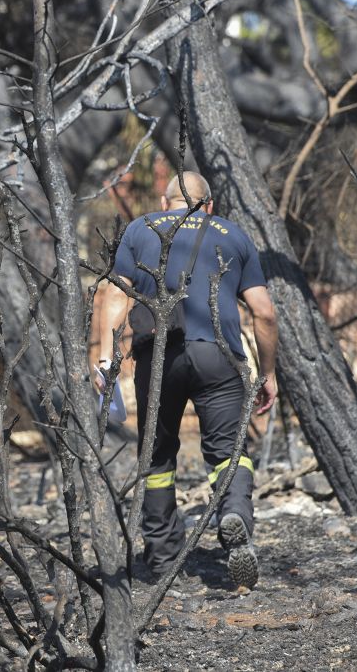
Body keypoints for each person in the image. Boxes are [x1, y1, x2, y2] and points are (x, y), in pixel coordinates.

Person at [96, 171, 278, 588]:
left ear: (164, 203)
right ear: (208, 206)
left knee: (157, 457)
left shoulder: (139, 230)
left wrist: (107, 358)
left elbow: (116, 294)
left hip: (158, 356)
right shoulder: (233, 234)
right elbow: (264, 312)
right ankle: (233, 513)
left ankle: (162, 560)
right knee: (228, 452)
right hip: (219, 357)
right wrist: (267, 372)